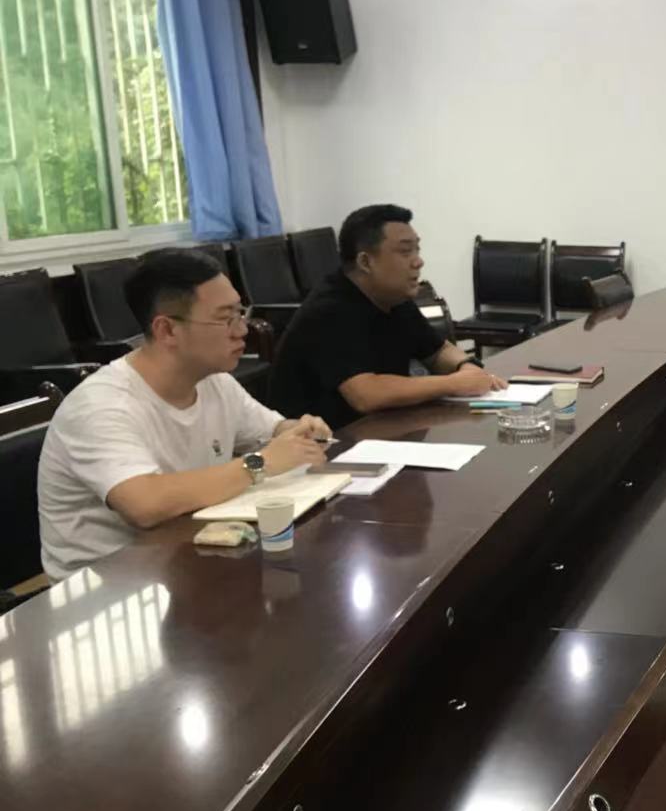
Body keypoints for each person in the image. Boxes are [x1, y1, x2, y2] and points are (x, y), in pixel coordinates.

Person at [38, 251, 333, 578]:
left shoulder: (213, 381)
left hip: (189, 559)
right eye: (225, 319)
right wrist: (260, 463)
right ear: (167, 330)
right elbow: (145, 504)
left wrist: (298, 431)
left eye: (240, 313)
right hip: (107, 585)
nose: (242, 330)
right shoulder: (101, 405)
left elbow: (273, 430)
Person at [270, 204, 505, 428]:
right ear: (365, 262)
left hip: (382, 429)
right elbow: (366, 394)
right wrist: (453, 383)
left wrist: (466, 366)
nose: (418, 261)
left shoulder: (395, 298)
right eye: (405, 251)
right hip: (324, 442)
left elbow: (437, 351)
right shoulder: (328, 310)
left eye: (417, 249)